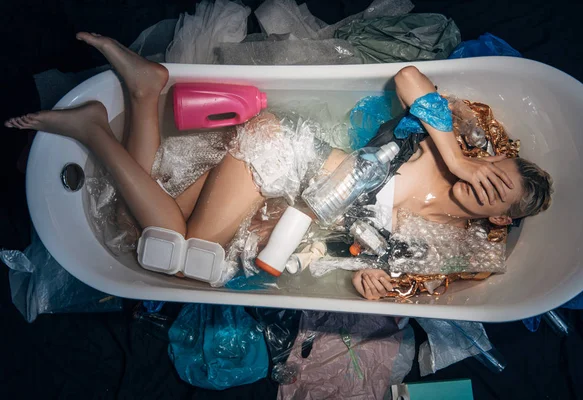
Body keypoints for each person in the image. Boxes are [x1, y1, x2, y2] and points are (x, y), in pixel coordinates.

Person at [5, 34, 552, 298]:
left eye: (499, 196)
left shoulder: (449, 242)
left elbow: (363, 251)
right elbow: (410, 77)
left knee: (138, 225)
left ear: (501, 218)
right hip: (285, 157)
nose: (486, 188)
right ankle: (95, 132)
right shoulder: (441, 143)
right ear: (493, 157)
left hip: (283, 211)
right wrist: (455, 154)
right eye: (496, 173)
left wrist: (365, 279)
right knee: (182, 261)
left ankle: (144, 93)